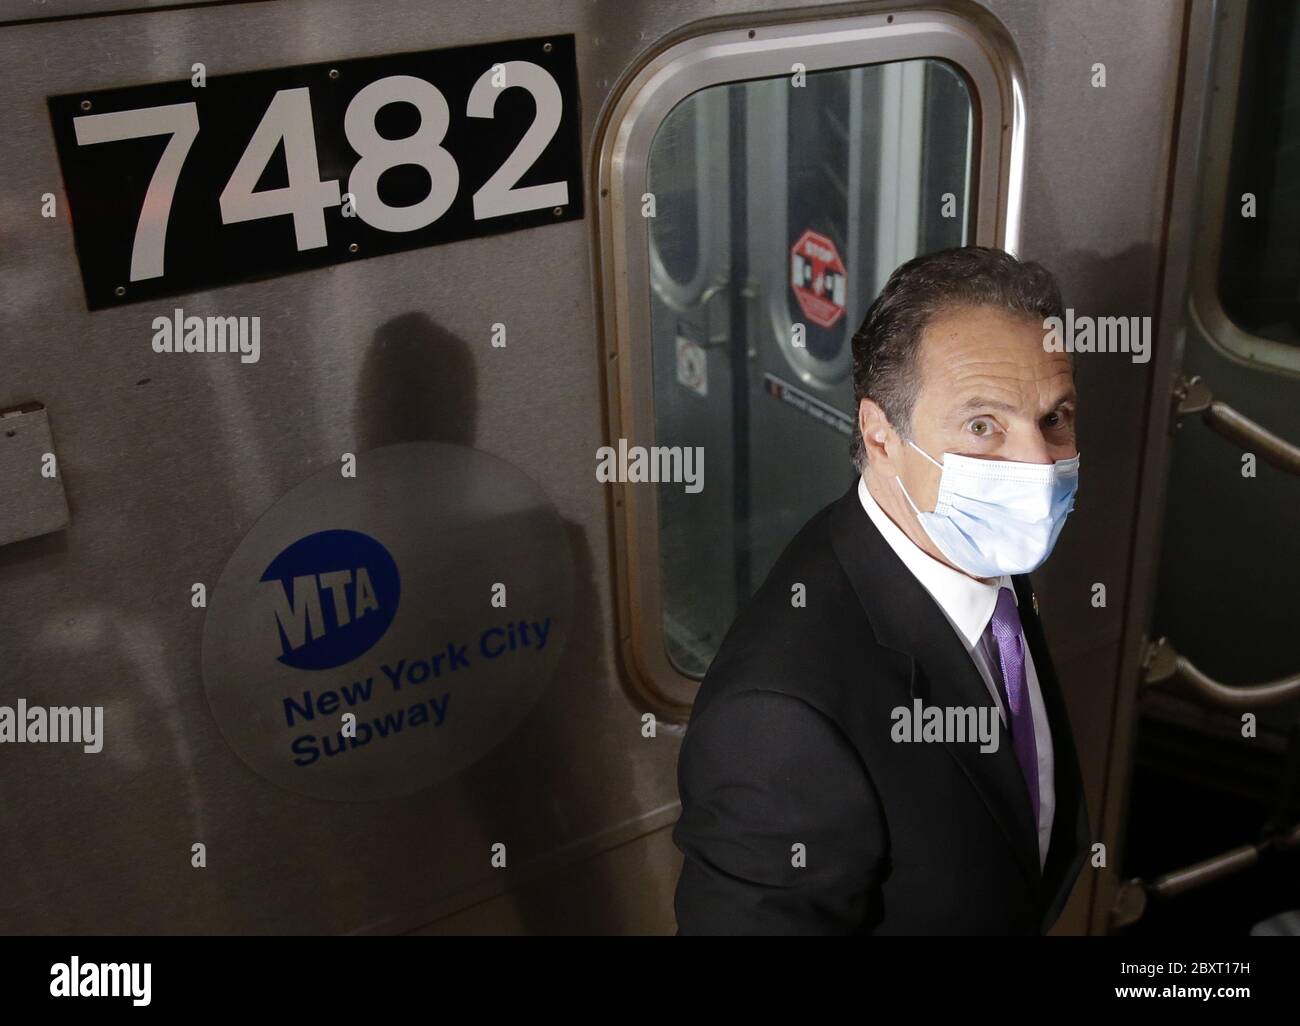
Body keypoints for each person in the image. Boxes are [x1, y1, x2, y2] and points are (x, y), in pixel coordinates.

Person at [672, 246, 1089, 934]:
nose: (1038, 466)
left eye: (1054, 417)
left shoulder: (978, 549)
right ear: (880, 433)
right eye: (983, 426)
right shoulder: (777, 719)